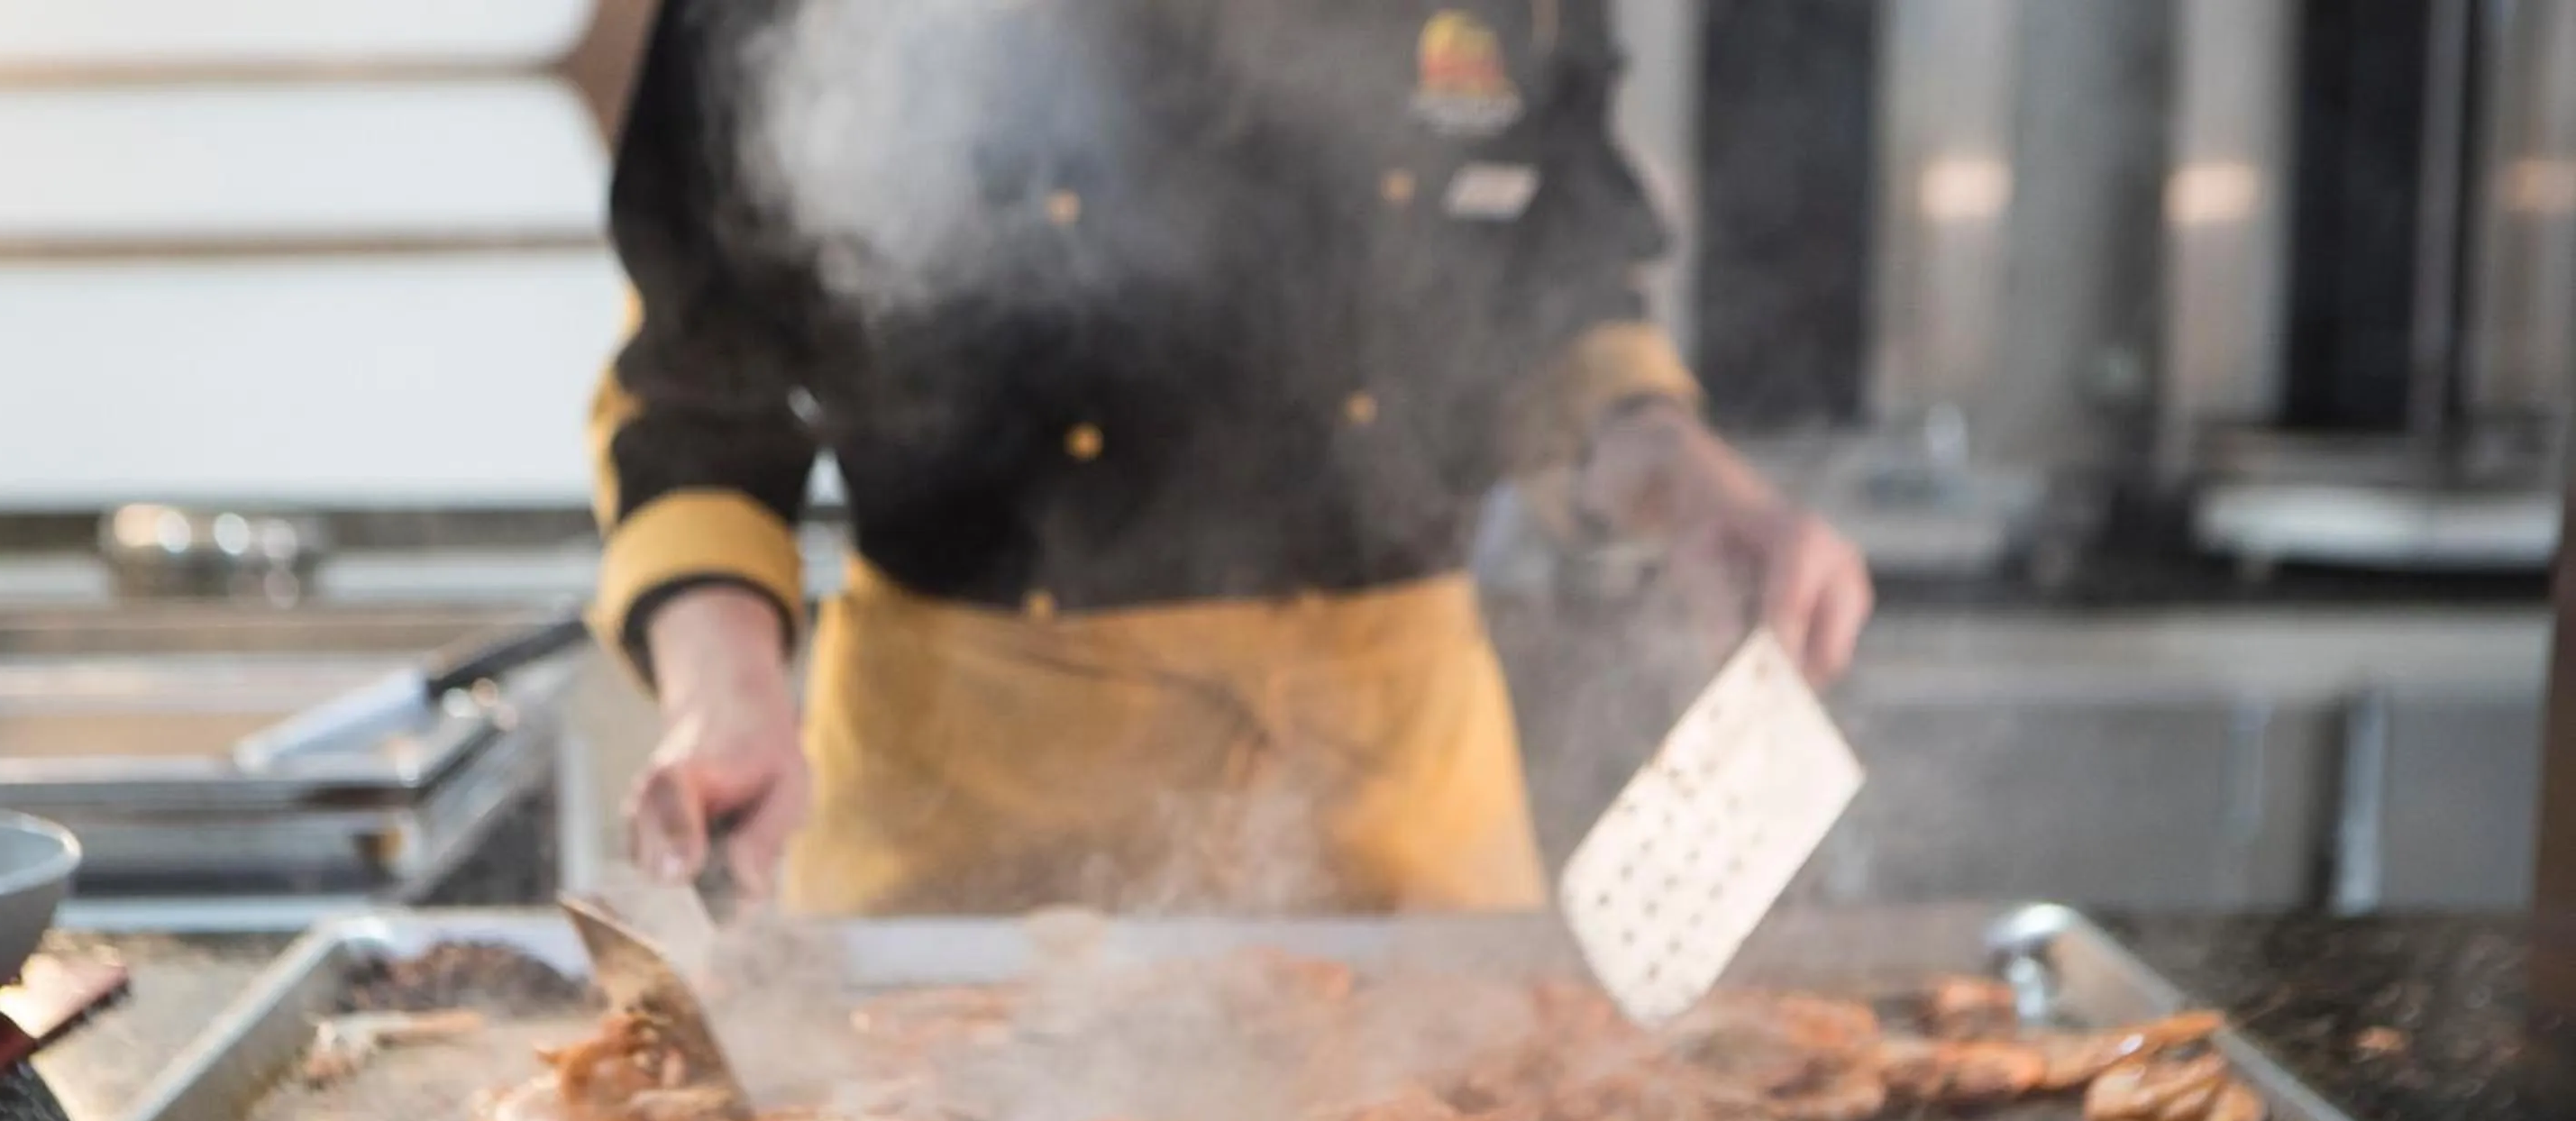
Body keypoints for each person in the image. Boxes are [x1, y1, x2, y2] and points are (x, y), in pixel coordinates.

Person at [590, 0, 1873, 915]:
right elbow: (702, 392)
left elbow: (1547, 306)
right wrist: (725, 694)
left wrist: (1685, 480)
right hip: (966, 819)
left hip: (1395, 817)